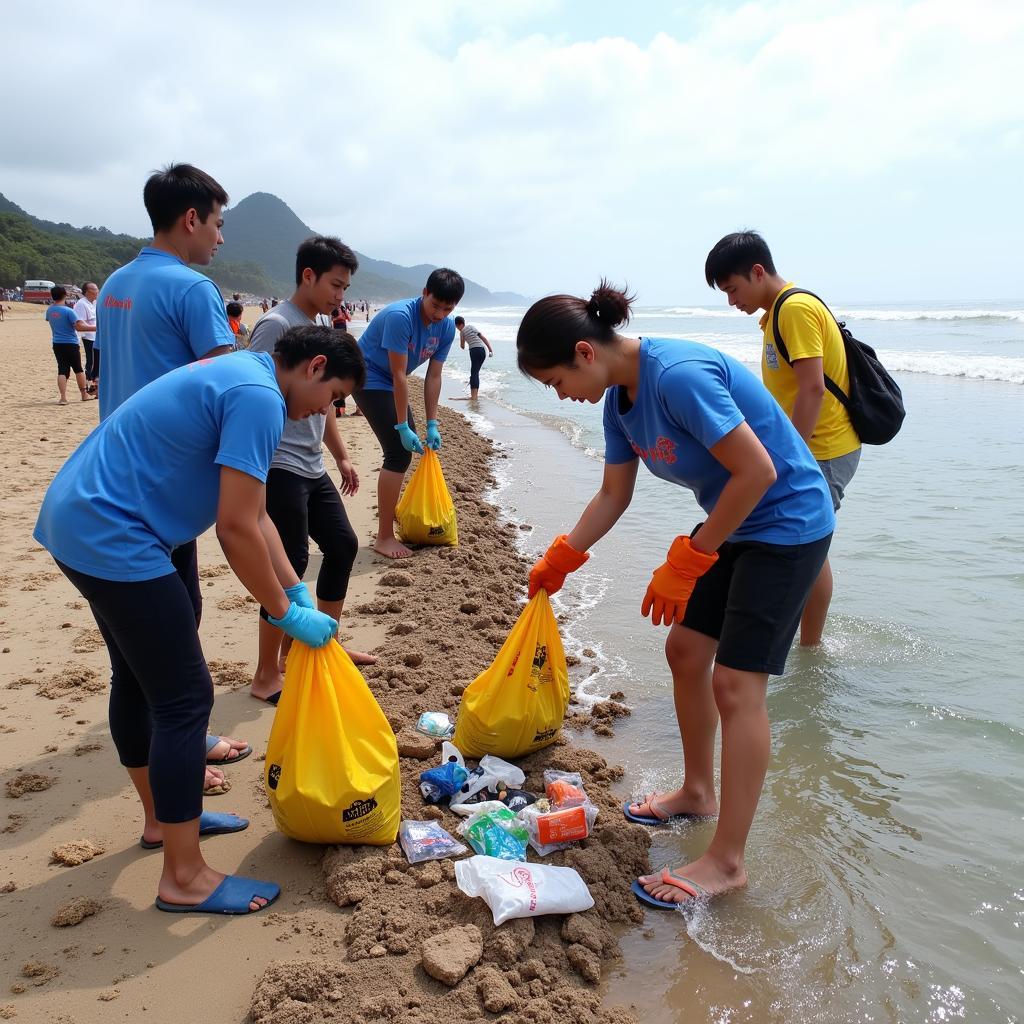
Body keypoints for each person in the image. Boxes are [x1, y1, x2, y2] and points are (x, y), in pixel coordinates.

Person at [518, 283, 834, 909]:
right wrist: (562, 557)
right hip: (733, 524)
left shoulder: (678, 376)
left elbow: (760, 471)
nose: (560, 396)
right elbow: (613, 496)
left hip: (788, 524)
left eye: (554, 381)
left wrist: (690, 559)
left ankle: (727, 860)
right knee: (687, 651)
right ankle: (697, 792)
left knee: (737, 686)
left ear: (585, 351)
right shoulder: (620, 402)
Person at [34, 325, 364, 914]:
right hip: (115, 534)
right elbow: (235, 527)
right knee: (186, 697)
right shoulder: (261, 399)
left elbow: (257, 514)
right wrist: (283, 613)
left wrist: (294, 589)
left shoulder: (244, 373)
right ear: (314, 366)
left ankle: (163, 821)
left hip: (78, 519)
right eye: (332, 396)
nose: (327, 411)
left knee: (136, 681)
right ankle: (183, 877)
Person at [94, 162, 248, 781]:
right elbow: (229, 380)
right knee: (173, 630)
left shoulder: (114, 283)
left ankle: (178, 740)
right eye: (217, 223)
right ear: (191, 219)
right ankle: (178, 750)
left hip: (112, 470)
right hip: (162, 486)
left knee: (144, 641)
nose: (219, 237)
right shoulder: (191, 289)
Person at [705, 231, 860, 645]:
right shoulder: (777, 312)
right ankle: (810, 642)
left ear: (758, 272)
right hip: (810, 447)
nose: (731, 300)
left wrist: (793, 454)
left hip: (821, 449)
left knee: (810, 544)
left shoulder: (794, 309)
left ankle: (811, 644)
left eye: (733, 289)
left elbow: (812, 388)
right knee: (812, 546)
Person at [247, 236, 375, 705]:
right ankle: (268, 671)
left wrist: (340, 454)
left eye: (345, 288)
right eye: (336, 285)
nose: (341, 296)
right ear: (308, 276)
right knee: (290, 563)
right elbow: (263, 388)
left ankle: (324, 641)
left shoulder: (319, 324)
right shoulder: (276, 325)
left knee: (342, 545)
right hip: (278, 462)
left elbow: (323, 405)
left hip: (311, 462)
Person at [353, 268, 465, 558]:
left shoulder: (447, 328)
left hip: (392, 381)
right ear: (424, 293)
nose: (439, 313)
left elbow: (433, 377)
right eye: (435, 305)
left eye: (447, 308)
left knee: (408, 451)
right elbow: (399, 375)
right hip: (368, 377)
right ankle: (384, 537)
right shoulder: (400, 317)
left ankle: (391, 524)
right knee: (398, 453)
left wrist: (432, 424)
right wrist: (402, 426)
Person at [45, 285, 95, 404]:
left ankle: (63, 397)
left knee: (62, 370)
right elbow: (79, 327)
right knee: (78, 369)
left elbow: (50, 320)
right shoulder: (68, 311)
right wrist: (97, 328)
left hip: (57, 343)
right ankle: (84, 394)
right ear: (65, 295)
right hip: (70, 343)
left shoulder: (50, 310)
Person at [455, 315, 493, 400]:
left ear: (458, 325)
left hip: (474, 351)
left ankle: (474, 397)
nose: (457, 328)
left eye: (457, 327)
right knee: (475, 372)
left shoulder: (462, 332)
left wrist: (463, 341)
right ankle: (474, 394)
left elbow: (462, 346)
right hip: (482, 350)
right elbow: (482, 337)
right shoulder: (471, 327)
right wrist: (490, 350)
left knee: (474, 373)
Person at [73, 282, 100, 393]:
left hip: (97, 337)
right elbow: (79, 325)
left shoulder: (94, 303)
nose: (97, 292)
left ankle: (96, 386)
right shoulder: (81, 304)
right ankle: (90, 386)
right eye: (95, 289)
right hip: (89, 337)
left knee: (98, 362)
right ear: (87, 292)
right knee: (91, 362)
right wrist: (98, 328)